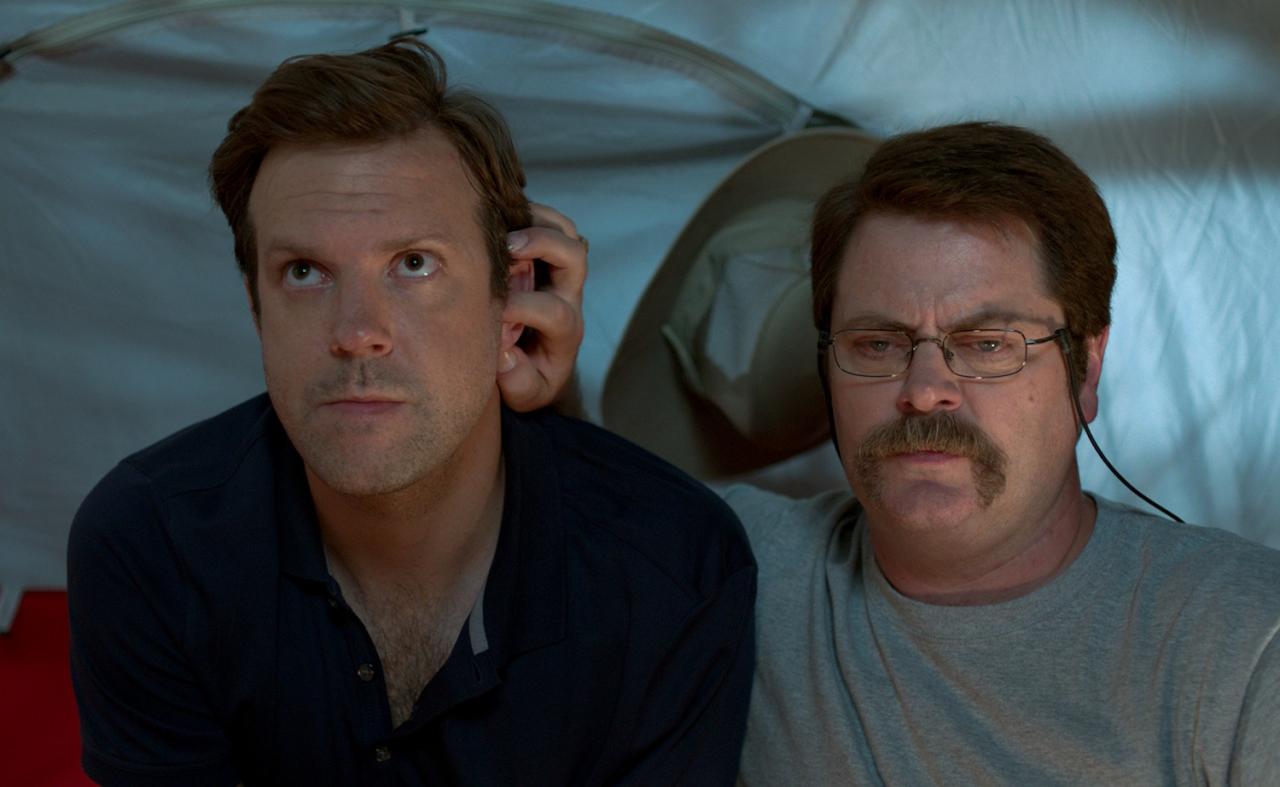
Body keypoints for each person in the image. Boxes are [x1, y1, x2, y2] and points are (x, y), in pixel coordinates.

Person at [67, 39, 756, 786]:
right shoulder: (152, 541)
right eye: (305, 272)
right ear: (255, 306)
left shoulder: (674, 563)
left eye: (414, 263)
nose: (357, 331)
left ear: (512, 295)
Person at [572, 122, 1280, 783]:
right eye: (877, 344)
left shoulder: (1241, 642)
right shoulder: (726, 566)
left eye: (988, 343)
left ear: (1085, 369)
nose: (924, 390)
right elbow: (547, 516)